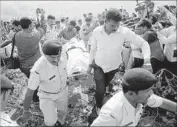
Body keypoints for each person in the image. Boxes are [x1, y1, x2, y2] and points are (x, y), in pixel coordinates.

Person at [87, 8, 151, 113]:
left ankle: (103, 96)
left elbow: (143, 43)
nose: (116, 28)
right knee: (100, 89)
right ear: (106, 21)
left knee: (105, 86)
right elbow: (93, 49)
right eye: (112, 25)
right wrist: (89, 65)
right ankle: (98, 106)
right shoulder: (96, 32)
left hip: (113, 67)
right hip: (98, 66)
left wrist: (147, 61)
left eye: (117, 25)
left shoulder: (124, 32)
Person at [91, 68, 177, 126]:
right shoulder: (112, 113)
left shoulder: (143, 97)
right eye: (147, 91)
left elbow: (162, 102)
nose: (151, 93)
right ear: (131, 94)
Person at [22, 40, 68, 126]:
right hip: (47, 96)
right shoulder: (38, 69)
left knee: (63, 112)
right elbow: (29, 92)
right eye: (53, 57)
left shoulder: (64, 55)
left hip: (63, 92)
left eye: (58, 56)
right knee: (50, 121)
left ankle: (60, 123)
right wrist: (26, 110)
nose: (57, 60)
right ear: (45, 55)